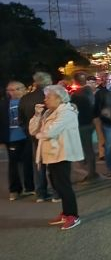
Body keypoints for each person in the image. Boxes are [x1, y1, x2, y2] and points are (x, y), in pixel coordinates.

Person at [28, 85, 84, 230]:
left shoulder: (67, 112)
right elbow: (33, 130)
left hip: (62, 153)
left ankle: (73, 215)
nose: (45, 100)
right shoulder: (48, 113)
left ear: (59, 98)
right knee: (57, 185)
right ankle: (66, 213)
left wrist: (40, 134)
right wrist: (37, 115)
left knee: (64, 186)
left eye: (48, 97)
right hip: (51, 154)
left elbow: (49, 132)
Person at [19, 72, 59, 202]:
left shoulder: (25, 98)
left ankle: (41, 193)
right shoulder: (51, 97)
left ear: (35, 82)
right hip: (50, 135)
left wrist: (30, 133)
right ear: (48, 81)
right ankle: (56, 193)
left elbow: (21, 120)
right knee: (53, 165)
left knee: (38, 165)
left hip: (34, 136)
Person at [1, 81, 35, 200]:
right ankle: (14, 190)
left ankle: (29, 187)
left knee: (28, 162)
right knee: (14, 164)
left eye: (18, 89)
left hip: (27, 137)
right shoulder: (4, 104)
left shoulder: (27, 101)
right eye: (12, 90)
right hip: (12, 139)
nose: (16, 92)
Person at [70, 72, 99, 183]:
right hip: (89, 122)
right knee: (88, 148)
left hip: (81, 123)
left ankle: (89, 172)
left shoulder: (76, 94)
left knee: (85, 149)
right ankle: (91, 171)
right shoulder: (89, 92)